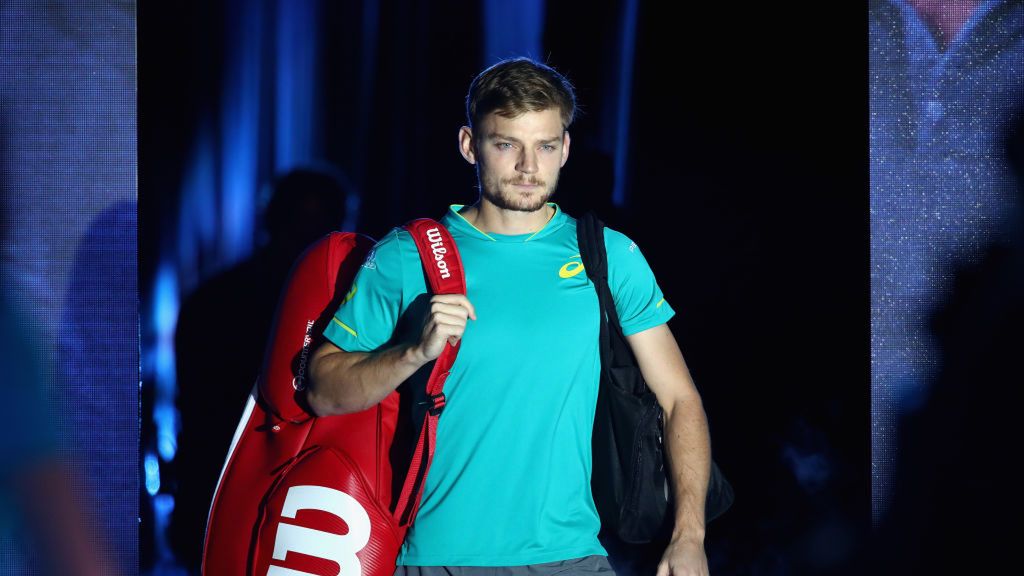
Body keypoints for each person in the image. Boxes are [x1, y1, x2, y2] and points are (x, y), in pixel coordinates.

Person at [308, 57, 712, 576]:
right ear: (469, 145)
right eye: (506, 144)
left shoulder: (608, 257)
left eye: (545, 146)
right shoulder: (410, 256)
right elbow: (322, 391)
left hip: (573, 557)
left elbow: (680, 400)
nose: (528, 166)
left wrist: (689, 536)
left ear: (565, 148)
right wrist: (411, 352)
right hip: (436, 558)